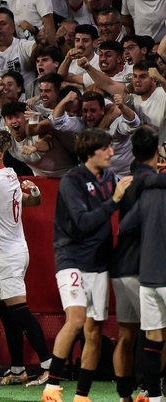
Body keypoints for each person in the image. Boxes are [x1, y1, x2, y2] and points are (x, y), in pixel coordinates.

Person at [40, 128, 133, 402]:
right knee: (77, 319)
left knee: (94, 330)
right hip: (72, 259)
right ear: (91, 152)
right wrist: (114, 201)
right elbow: (82, 223)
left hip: (99, 262)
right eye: (106, 148)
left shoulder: (108, 177)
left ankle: (82, 395)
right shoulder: (72, 180)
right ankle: (52, 386)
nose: (112, 153)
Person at [0, 136, 52, 386]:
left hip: (7, 255)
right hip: (14, 250)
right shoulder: (11, 175)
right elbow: (33, 201)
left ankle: (50, 367)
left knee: (21, 313)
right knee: (8, 315)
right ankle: (18, 369)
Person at [112, 126, 158, 402]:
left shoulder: (124, 182)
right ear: (156, 151)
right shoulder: (153, 182)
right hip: (145, 266)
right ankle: (147, 388)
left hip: (120, 266)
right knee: (157, 332)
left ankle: (123, 395)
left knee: (126, 333)